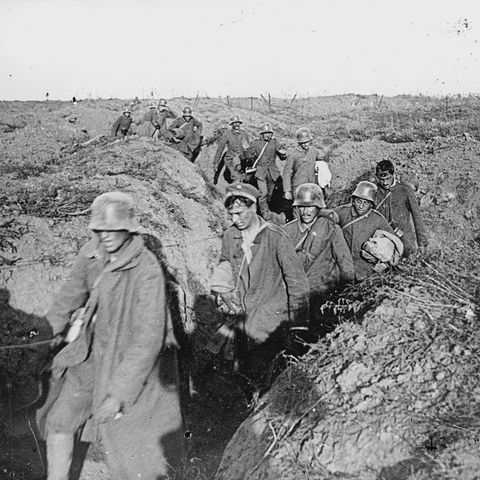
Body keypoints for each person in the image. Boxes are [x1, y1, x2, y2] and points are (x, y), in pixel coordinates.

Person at [36, 192, 184, 480]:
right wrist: (42, 339)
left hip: (126, 364)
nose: (104, 235)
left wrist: (119, 393)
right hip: (89, 357)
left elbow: (147, 339)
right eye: (99, 229)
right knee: (59, 421)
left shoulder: (146, 270)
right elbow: (67, 300)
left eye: (112, 229)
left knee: (128, 449)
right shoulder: (91, 255)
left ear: (128, 230)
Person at [214, 182, 309, 388]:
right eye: (231, 214)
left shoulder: (275, 236)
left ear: (254, 208)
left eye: (239, 213)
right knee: (240, 376)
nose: (234, 219)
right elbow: (224, 264)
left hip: (270, 322)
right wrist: (222, 292)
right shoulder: (231, 236)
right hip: (240, 320)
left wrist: (298, 323)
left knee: (264, 377)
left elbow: (297, 282)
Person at [283, 184, 354, 326]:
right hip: (297, 297)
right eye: (302, 206)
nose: (305, 211)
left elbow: (345, 262)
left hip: (323, 293)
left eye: (310, 206)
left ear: (318, 207)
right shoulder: (287, 231)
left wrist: (348, 290)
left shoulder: (331, 229)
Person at [334, 181, 399, 281]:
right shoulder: (342, 212)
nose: (361, 206)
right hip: (341, 267)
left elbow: (393, 244)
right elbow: (326, 217)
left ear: (371, 204)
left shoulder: (378, 219)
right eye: (359, 201)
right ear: (353, 200)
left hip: (365, 271)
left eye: (366, 203)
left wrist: (382, 263)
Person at [375, 160, 429, 256]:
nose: (385, 183)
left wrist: (422, 243)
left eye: (388, 178)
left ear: (393, 175)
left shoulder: (404, 190)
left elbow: (417, 216)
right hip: (384, 240)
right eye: (381, 179)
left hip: (405, 240)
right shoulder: (374, 191)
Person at [282, 127, 332, 220]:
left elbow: (320, 161)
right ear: (299, 143)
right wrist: (287, 191)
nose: (306, 145)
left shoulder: (313, 151)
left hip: (311, 184)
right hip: (298, 185)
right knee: (298, 209)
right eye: (303, 143)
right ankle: (297, 227)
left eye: (308, 142)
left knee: (313, 206)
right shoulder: (293, 154)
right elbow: (286, 173)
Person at [245, 122, 287, 216]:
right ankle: (265, 213)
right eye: (266, 133)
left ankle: (266, 207)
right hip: (261, 172)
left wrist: (283, 154)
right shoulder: (256, 143)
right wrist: (247, 152)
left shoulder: (275, 142)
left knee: (270, 194)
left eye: (269, 133)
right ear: (262, 134)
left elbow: (282, 157)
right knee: (263, 193)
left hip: (272, 172)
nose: (268, 135)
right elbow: (248, 157)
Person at [213, 115, 250, 183]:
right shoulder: (227, 134)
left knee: (244, 178)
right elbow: (220, 148)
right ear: (231, 124)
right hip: (230, 159)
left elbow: (249, 148)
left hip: (242, 160)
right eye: (234, 123)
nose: (236, 125)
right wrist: (216, 162)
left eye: (238, 123)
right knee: (235, 177)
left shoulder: (244, 134)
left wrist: (246, 148)